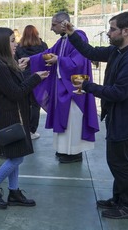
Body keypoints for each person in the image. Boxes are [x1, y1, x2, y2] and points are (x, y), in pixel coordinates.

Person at [65, 11, 128, 219]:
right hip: (118, 116)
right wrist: (72, 34)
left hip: (126, 118)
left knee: (121, 164)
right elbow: (93, 53)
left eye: (112, 29)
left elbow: (120, 92)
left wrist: (87, 86)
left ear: (126, 31)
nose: (108, 33)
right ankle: (119, 199)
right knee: (116, 162)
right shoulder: (118, 51)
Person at [0, 27, 48, 209]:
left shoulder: (5, 65)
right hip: (10, 117)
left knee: (15, 155)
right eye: (12, 41)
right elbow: (16, 93)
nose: (16, 44)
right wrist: (35, 78)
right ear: (3, 44)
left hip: (15, 116)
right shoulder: (0, 67)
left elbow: (12, 86)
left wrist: (19, 70)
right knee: (17, 158)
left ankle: (14, 191)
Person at [27, 12, 99, 163]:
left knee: (73, 120)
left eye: (54, 25)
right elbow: (49, 53)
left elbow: (78, 62)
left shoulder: (79, 37)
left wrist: (58, 60)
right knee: (65, 119)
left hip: (75, 87)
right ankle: (64, 150)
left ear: (64, 23)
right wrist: (30, 59)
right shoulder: (63, 40)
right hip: (63, 87)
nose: (51, 28)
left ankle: (74, 153)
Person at [15, 25, 48, 140]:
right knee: (35, 105)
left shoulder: (19, 47)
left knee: (25, 105)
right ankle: (32, 130)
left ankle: (25, 128)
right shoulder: (42, 46)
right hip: (38, 77)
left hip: (24, 77)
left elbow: (16, 62)